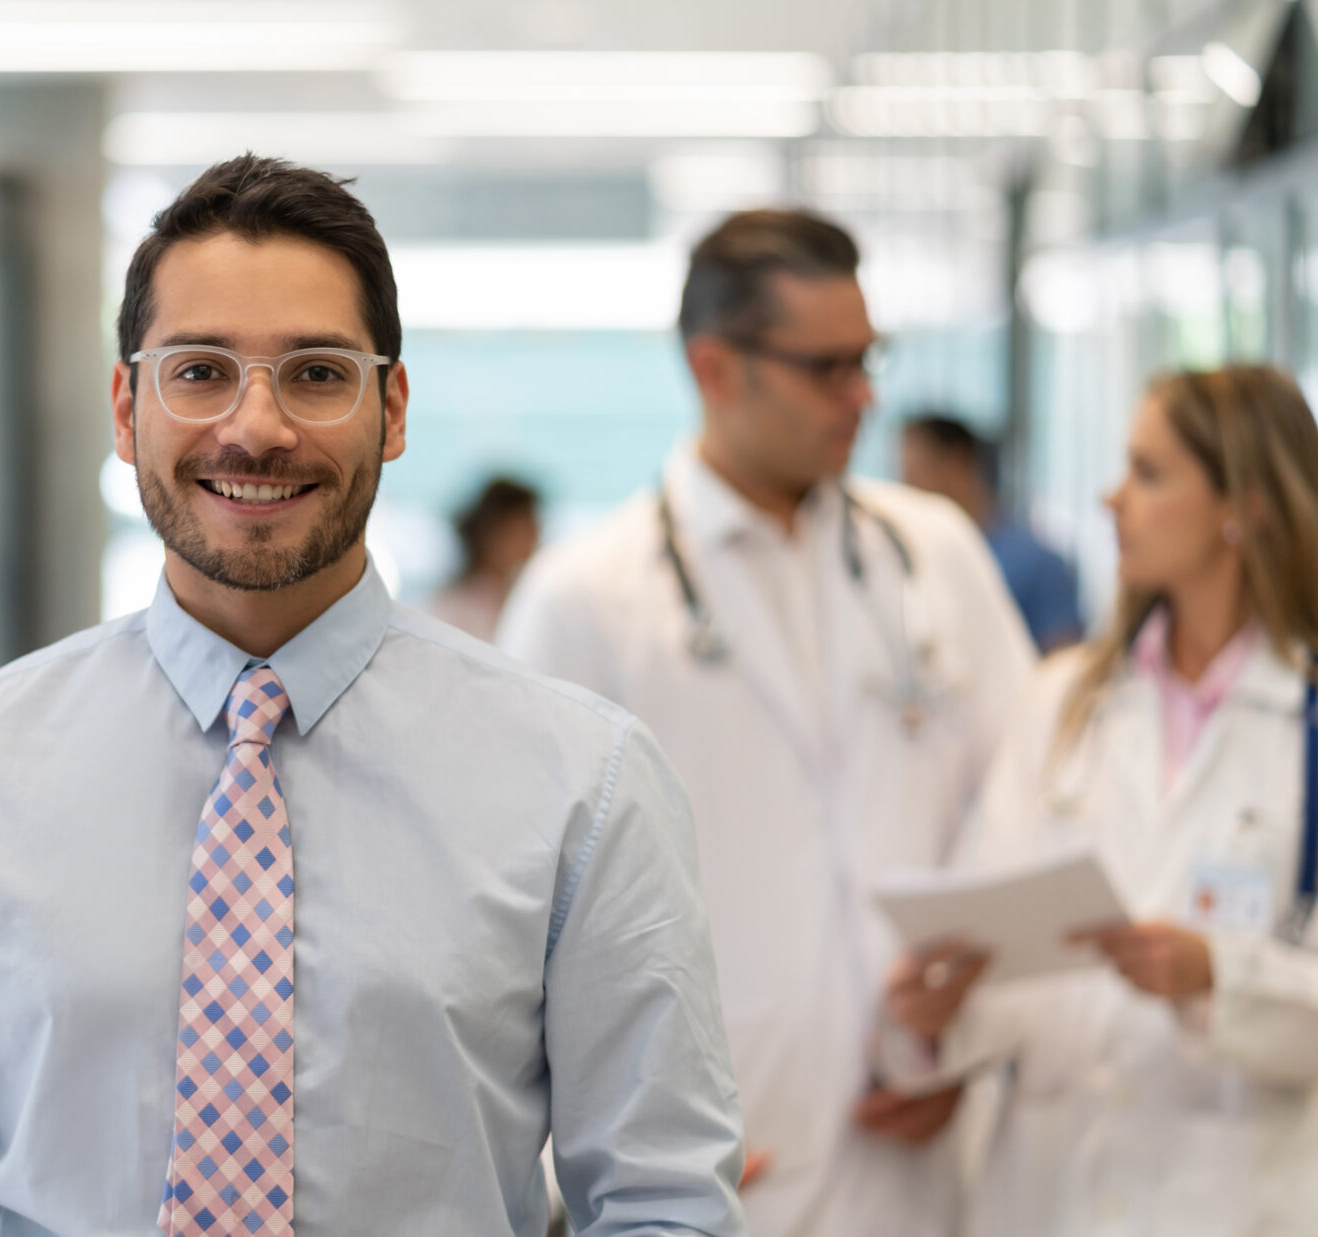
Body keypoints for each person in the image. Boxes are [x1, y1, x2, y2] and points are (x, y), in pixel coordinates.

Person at [0, 155, 747, 1237]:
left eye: (318, 373)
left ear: (393, 407)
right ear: (129, 406)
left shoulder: (584, 785)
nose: (258, 427)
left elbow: (662, 1201)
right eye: (200, 371)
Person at [497, 209, 1035, 1237]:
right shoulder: (586, 601)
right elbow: (523, 923)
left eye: (869, 359)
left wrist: (969, 1036)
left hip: (922, 1147)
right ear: (716, 367)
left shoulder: (936, 556)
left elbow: (1020, 814)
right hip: (704, 1175)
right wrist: (614, 1153)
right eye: (827, 367)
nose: (865, 396)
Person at [882, 366, 1318, 1237]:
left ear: (1242, 506)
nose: (1111, 498)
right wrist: (939, 1012)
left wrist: (1218, 974)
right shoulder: (1066, 700)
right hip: (1049, 1191)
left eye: (1147, 473)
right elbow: (993, 934)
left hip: (1244, 1200)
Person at [899, 412, 1084, 652]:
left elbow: (1063, 663)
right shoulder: (916, 559)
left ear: (958, 463)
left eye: (915, 473)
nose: (904, 490)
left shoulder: (1038, 563)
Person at [423, 475, 542, 640]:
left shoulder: (521, 596)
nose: (534, 541)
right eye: (526, 530)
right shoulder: (453, 608)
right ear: (493, 534)